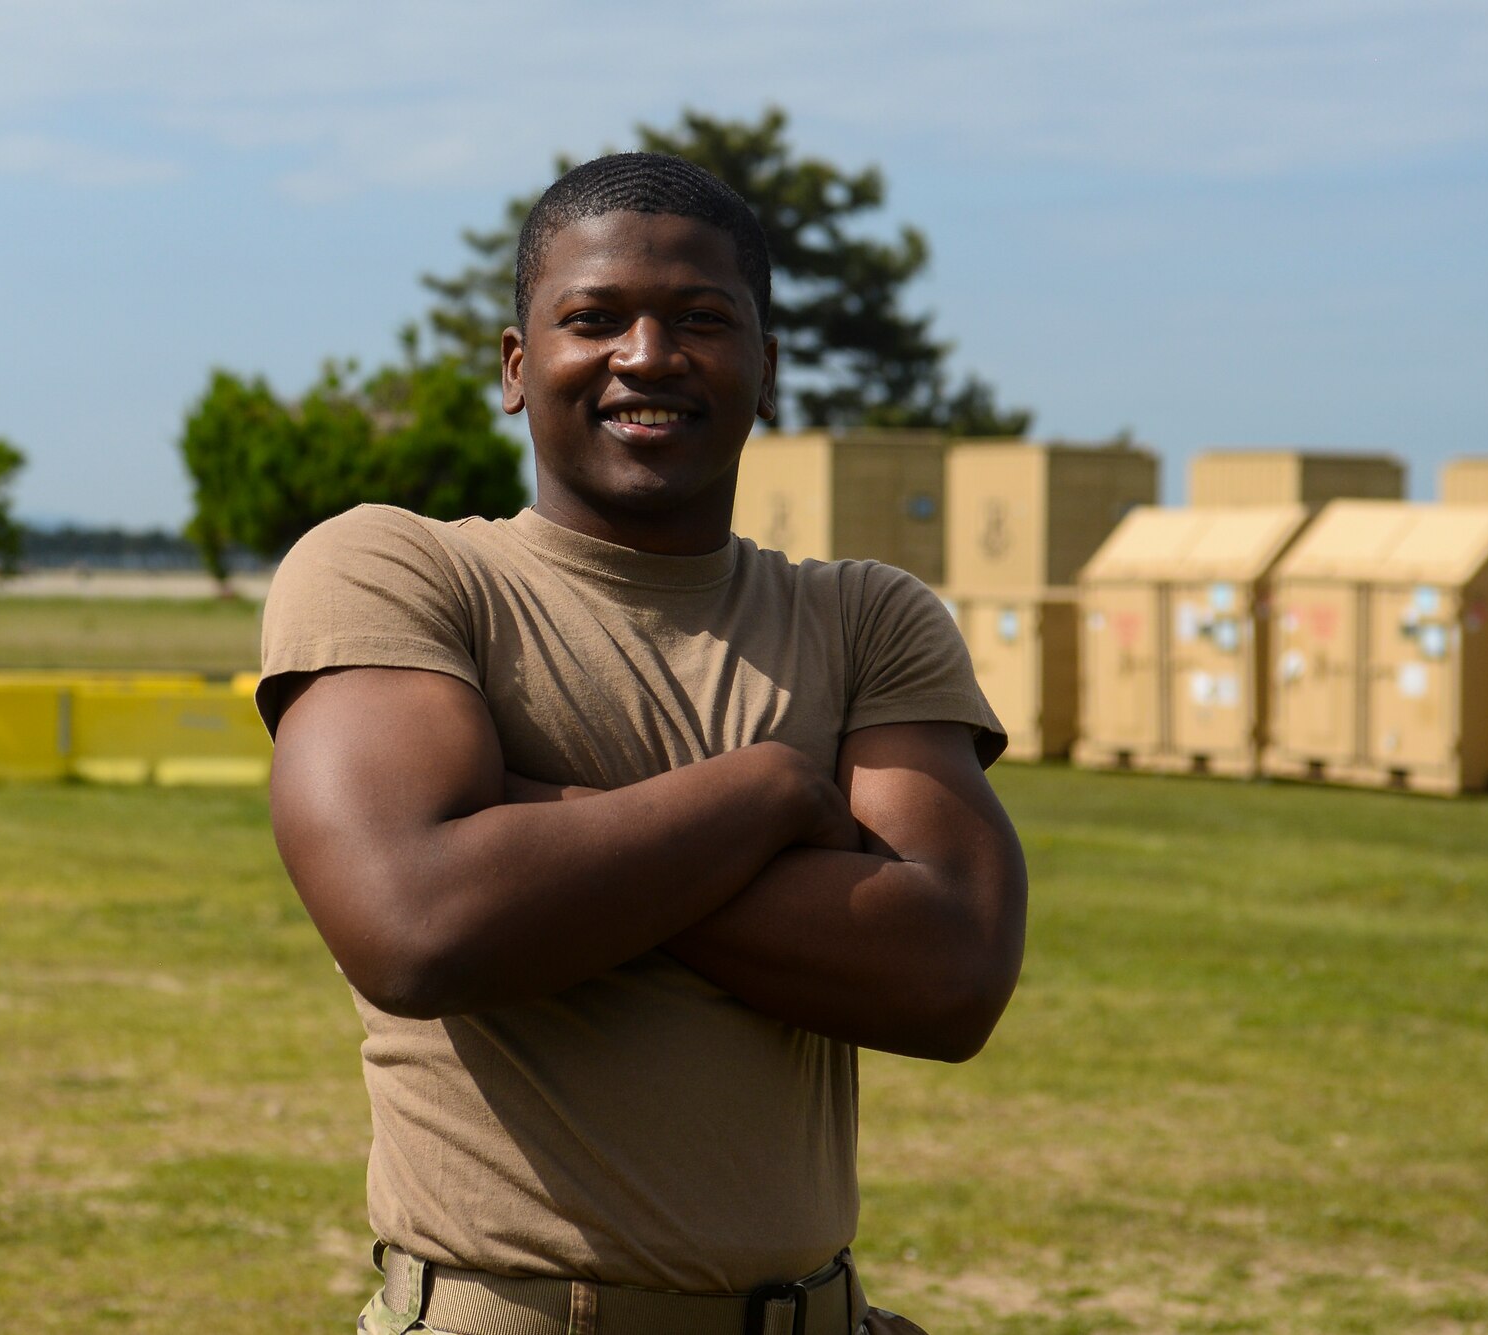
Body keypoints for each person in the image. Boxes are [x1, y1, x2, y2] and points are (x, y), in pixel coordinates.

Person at [256, 152, 1027, 1335]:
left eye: (702, 321)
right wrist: (767, 793)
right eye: (593, 318)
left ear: (765, 369)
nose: (648, 355)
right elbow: (415, 925)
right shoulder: (399, 572)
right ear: (517, 369)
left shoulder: (864, 617)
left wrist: (519, 837)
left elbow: (949, 973)